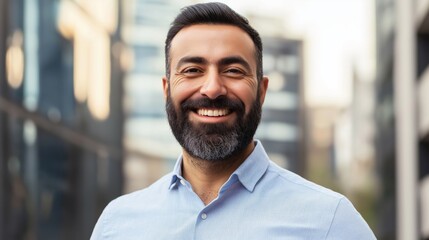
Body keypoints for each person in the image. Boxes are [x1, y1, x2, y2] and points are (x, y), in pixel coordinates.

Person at [91, 2, 376, 239]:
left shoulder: (330, 221)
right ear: (167, 90)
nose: (212, 88)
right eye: (192, 70)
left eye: (233, 70)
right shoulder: (117, 224)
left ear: (261, 91)